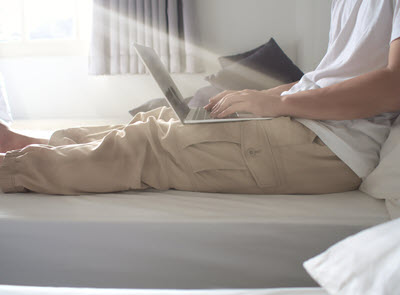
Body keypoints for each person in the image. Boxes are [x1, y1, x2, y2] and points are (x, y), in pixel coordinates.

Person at [0, 0, 399, 195]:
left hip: (332, 147)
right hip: (309, 125)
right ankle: (30, 145)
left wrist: (278, 104)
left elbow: (393, 85)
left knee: (151, 145)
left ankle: (13, 168)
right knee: (155, 122)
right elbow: (320, 80)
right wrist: (255, 96)